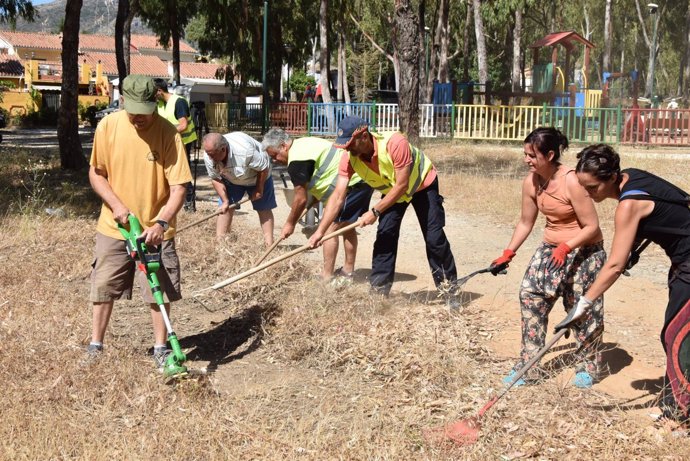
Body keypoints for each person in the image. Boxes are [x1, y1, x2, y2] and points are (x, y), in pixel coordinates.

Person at [556, 143, 690, 422]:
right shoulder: (631, 177)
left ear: (612, 178)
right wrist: (633, 248)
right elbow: (662, 215)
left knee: (676, 335)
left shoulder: (627, 204)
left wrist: (583, 303)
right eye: (584, 188)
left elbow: (614, 265)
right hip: (683, 263)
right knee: (676, 333)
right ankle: (674, 401)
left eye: (593, 188)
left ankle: (681, 413)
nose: (589, 195)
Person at [87, 74, 192, 370]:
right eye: (133, 110)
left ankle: (161, 348)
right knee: (103, 286)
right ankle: (96, 344)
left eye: (145, 110)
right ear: (123, 102)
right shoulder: (108, 126)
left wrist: (161, 223)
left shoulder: (169, 133)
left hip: (155, 230)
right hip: (114, 226)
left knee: (158, 290)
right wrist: (117, 207)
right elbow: (96, 173)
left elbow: (180, 186)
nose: (139, 117)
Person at [489, 127, 606, 389]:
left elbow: (592, 227)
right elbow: (525, 222)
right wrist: (508, 252)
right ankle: (529, 366)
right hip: (550, 249)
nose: (526, 160)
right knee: (531, 295)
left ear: (550, 154)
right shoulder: (531, 181)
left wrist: (567, 246)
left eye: (532, 155)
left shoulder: (572, 181)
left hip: (584, 250)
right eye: (525, 154)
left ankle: (587, 366)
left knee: (581, 308)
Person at [307, 116, 459, 307]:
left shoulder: (395, 143)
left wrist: (375, 211)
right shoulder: (349, 158)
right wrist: (320, 232)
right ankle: (378, 294)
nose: (347, 149)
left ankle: (449, 290)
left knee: (434, 238)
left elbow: (403, 184)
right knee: (385, 235)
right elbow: (338, 196)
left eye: (350, 143)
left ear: (363, 136)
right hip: (392, 191)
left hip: (422, 185)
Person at [262, 128, 374, 283]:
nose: (275, 160)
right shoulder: (304, 143)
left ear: (283, 146)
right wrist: (315, 197)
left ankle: (326, 277)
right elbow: (322, 168)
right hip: (361, 180)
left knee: (329, 229)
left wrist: (290, 223)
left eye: (274, 155)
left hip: (350, 185)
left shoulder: (296, 160)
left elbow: (300, 199)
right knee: (346, 226)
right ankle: (348, 271)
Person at [202, 132, 276, 246]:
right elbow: (215, 178)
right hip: (232, 178)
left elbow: (263, 168)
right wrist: (225, 200)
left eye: (212, 154)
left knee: (263, 208)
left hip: (259, 176)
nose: (210, 157)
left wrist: (259, 189)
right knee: (225, 209)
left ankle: (269, 245)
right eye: (208, 154)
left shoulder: (244, 151)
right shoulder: (209, 155)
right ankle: (221, 245)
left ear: (223, 149)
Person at [154, 78, 197, 211]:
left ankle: (189, 203)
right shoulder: (160, 104)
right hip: (168, 142)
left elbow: (183, 125)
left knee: (182, 173)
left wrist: (165, 133)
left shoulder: (179, 102)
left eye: (153, 92)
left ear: (159, 91)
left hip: (183, 142)